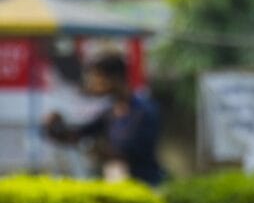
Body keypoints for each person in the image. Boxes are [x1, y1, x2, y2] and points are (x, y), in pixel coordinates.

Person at [43, 51, 165, 187]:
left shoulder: (144, 110)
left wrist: (97, 149)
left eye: (95, 77)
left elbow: (132, 151)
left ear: (114, 78)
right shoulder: (110, 112)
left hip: (145, 185)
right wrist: (55, 127)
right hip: (117, 185)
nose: (91, 83)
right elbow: (77, 135)